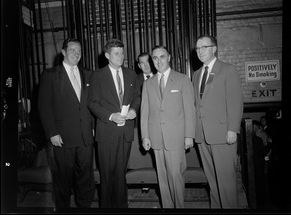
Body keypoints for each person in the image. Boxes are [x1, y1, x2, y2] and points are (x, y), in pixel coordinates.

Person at [38, 38, 95, 210]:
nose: (76, 54)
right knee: (62, 179)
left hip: (85, 137)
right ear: (63, 52)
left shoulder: (88, 74)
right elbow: (44, 106)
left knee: (86, 178)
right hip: (61, 138)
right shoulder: (50, 74)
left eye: (79, 51)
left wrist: (92, 127)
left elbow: (91, 104)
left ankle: (84, 207)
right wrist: (52, 132)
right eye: (72, 50)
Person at [140, 45, 196, 208]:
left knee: (175, 176)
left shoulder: (182, 79)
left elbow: (189, 110)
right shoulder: (148, 84)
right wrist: (145, 136)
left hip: (176, 137)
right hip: (156, 137)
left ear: (169, 57)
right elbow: (145, 112)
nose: (158, 61)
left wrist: (189, 136)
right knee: (162, 179)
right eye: (155, 58)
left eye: (162, 57)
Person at [88, 39, 140, 208]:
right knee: (107, 175)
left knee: (120, 174)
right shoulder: (97, 75)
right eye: (117, 53)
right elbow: (92, 103)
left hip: (125, 132)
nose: (121, 56)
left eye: (122, 53)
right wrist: (110, 116)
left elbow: (137, 97)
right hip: (107, 132)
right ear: (107, 55)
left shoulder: (131, 74)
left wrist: (134, 110)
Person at [192, 34, 243, 209]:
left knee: (226, 183)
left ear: (214, 48)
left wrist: (232, 129)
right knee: (212, 181)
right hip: (203, 136)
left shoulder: (228, 70)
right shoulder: (196, 74)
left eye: (204, 47)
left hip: (222, 135)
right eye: (197, 48)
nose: (200, 51)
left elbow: (235, 101)